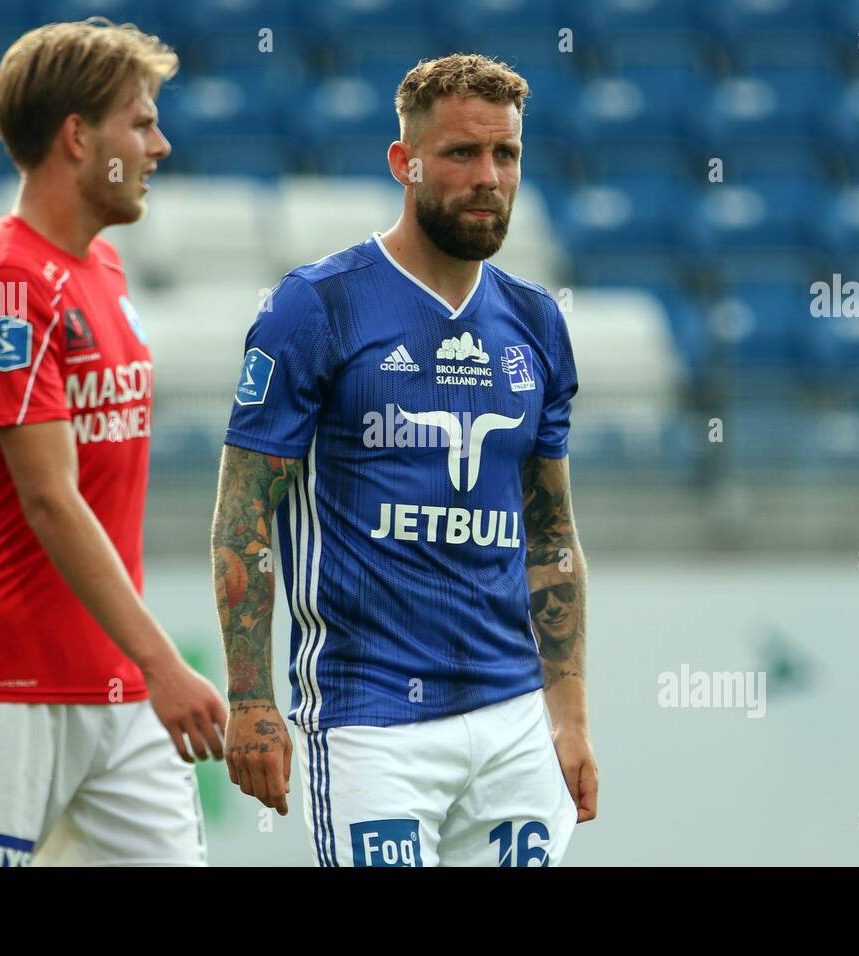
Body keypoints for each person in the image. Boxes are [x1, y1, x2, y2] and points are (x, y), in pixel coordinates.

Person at [210, 54, 597, 866]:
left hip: (512, 720)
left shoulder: (536, 324)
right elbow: (242, 519)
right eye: (461, 154)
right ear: (405, 163)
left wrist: (569, 718)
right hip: (370, 721)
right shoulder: (316, 307)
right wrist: (251, 699)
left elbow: (551, 536)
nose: (488, 177)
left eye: (507, 154)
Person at [0, 18, 225, 867]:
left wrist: (142, 667)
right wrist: (167, 664)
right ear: (79, 137)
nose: (160, 143)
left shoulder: (103, 270)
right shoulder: (5, 282)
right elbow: (50, 498)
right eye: (141, 120)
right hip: (7, 683)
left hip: (115, 681)